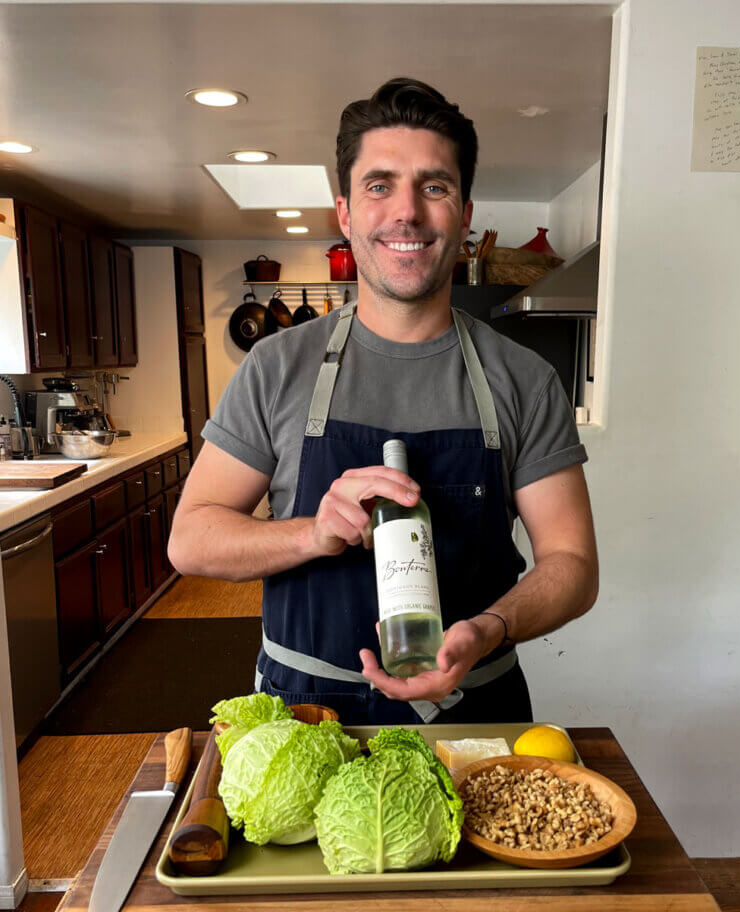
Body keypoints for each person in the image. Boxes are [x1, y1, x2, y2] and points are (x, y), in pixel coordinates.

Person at [168, 77, 598, 726]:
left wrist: (488, 628)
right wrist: (313, 532)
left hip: (473, 719)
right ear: (345, 213)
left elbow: (571, 564)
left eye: (433, 186)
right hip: (304, 722)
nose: (406, 212)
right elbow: (191, 539)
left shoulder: (524, 379)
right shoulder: (276, 366)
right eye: (379, 185)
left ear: (463, 211)